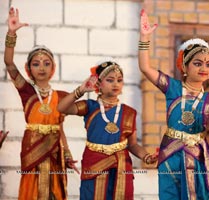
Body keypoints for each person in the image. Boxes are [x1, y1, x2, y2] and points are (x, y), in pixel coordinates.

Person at [138, 9, 209, 200]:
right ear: (184, 67)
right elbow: (145, 68)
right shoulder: (173, 88)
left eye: (208, 64)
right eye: (197, 63)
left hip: (197, 156)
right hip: (171, 154)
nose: (204, 68)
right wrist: (144, 37)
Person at [4, 7, 79, 200]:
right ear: (29, 69)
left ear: (53, 68)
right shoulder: (26, 91)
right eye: (36, 64)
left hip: (54, 151)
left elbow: (59, 127)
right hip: (32, 150)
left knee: (54, 191)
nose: (42, 68)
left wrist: (68, 154)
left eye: (46, 63)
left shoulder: (61, 96)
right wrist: (11, 34)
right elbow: (9, 64)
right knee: (32, 191)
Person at [57, 59, 158, 200]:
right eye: (110, 80)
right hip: (94, 165)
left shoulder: (129, 112)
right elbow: (61, 108)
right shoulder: (90, 107)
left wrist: (147, 157)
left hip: (121, 167)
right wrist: (80, 90)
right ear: (99, 84)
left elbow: (133, 144)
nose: (116, 84)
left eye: (119, 80)